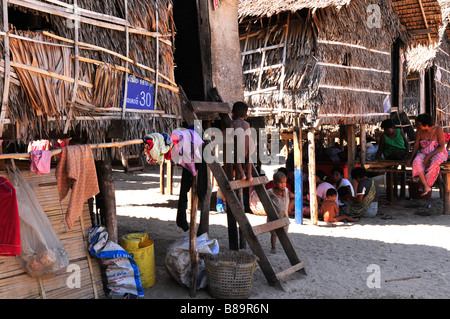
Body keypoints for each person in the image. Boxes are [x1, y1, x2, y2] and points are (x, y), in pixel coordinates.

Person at [406, 113, 448, 196]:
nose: (417, 126)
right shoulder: (419, 131)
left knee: (434, 161)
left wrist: (429, 156)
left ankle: (427, 184)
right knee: (416, 162)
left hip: (437, 152)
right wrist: (411, 159)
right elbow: (416, 146)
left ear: (426, 124)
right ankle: (425, 185)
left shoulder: (438, 130)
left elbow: (442, 147)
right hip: (424, 152)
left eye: (419, 124)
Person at [267, 171, 293, 254]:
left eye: (285, 182)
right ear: (274, 183)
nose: (283, 184)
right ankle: (273, 247)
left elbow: (289, 195)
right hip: (274, 216)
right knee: (274, 233)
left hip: (284, 216)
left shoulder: (286, 190)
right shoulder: (271, 192)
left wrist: (292, 195)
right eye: (281, 182)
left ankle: (285, 246)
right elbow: (264, 199)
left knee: (284, 233)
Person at [231, 101, 254, 181]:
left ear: (232, 114)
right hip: (250, 145)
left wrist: (216, 134)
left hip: (241, 145)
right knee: (248, 159)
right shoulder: (247, 124)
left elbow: (228, 132)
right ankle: (249, 176)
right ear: (246, 116)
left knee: (236, 158)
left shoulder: (233, 123)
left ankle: (242, 174)